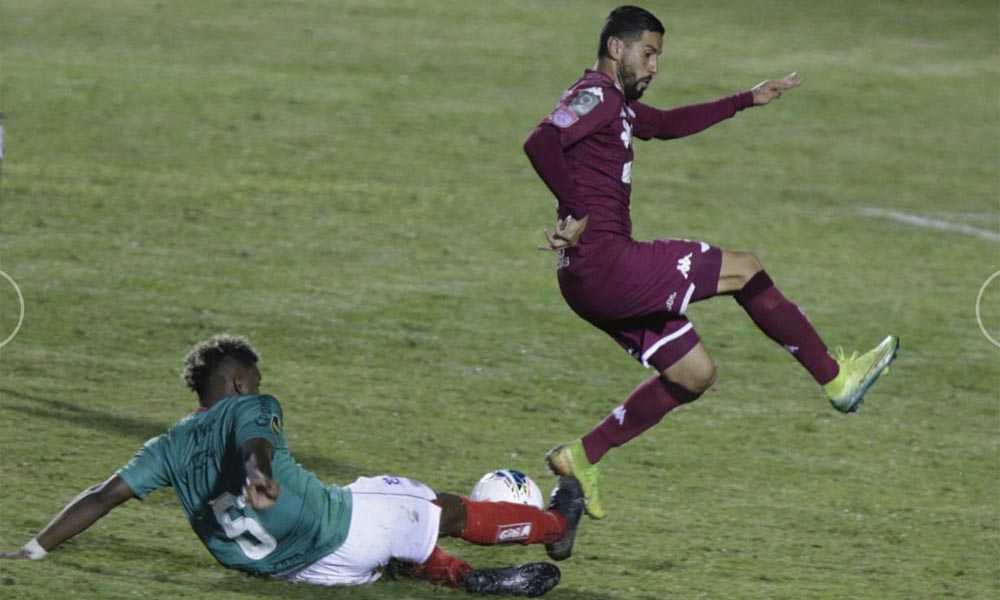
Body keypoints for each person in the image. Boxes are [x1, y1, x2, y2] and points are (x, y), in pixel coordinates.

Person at [523, 5, 898, 520]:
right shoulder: (598, 96)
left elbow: (667, 124)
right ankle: (837, 379)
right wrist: (580, 209)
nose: (654, 67)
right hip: (609, 266)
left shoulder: (620, 106)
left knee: (693, 374)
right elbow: (541, 141)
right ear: (616, 48)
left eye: (658, 57)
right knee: (744, 267)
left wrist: (746, 99)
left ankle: (583, 456)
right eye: (648, 53)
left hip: (588, 281)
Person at [1, 334, 584, 597]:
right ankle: (559, 524)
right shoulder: (251, 406)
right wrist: (258, 475)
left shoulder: (163, 450)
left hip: (291, 573)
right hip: (335, 531)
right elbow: (255, 442)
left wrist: (35, 547)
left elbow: (101, 496)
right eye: (255, 379)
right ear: (236, 383)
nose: (262, 387)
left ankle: (463, 579)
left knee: (393, 554)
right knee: (435, 506)